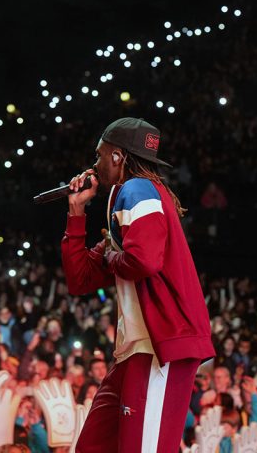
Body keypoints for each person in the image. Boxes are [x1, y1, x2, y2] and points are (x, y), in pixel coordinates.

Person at [62, 117, 215, 452]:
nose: (95, 163)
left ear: (118, 156)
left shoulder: (136, 189)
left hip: (158, 347)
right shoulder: (132, 194)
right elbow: (80, 279)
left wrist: (110, 258)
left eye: (100, 154)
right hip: (137, 349)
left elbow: (144, 261)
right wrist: (76, 212)